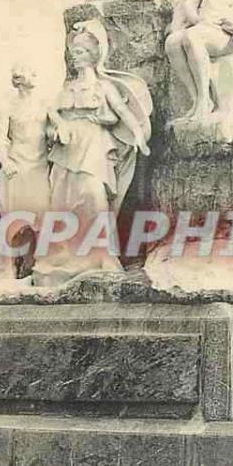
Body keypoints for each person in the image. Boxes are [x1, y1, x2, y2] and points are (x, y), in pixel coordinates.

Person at [33, 19, 152, 286]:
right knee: (63, 201)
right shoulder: (66, 89)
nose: (75, 57)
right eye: (73, 52)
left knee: (93, 197)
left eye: (81, 52)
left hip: (94, 147)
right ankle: (62, 260)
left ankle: (102, 257)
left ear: (93, 55)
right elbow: (51, 118)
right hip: (66, 151)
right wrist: (57, 128)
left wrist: (140, 138)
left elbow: (125, 114)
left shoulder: (104, 87)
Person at [0, 65, 51, 281]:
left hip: (40, 169)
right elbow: (0, 139)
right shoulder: (7, 105)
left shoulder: (45, 103)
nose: (34, 75)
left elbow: (55, 127)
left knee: (43, 221)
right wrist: (5, 161)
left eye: (35, 72)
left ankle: (43, 269)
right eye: (29, 71)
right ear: (17, 79)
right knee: (12, 223)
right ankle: (5, 272)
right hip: (16, 169)